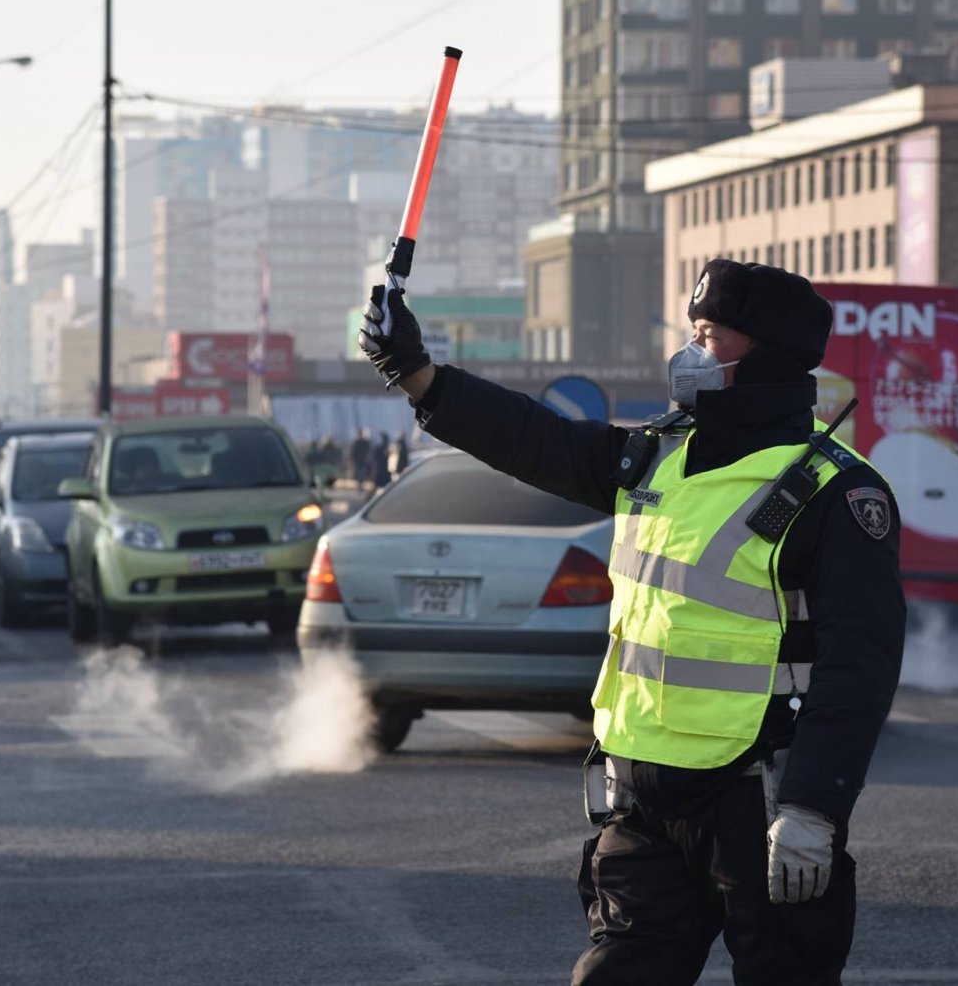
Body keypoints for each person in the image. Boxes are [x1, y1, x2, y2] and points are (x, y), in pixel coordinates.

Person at [359, 259, 905, 985]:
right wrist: (419, 374)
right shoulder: (657, 456)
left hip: (759, 801)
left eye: (710, 335)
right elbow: (534, 440)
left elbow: (858, 667)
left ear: (766, 352)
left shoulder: (835, 492)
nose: (690, 351)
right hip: (645, 797)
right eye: (693, 330)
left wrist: (814, 807)